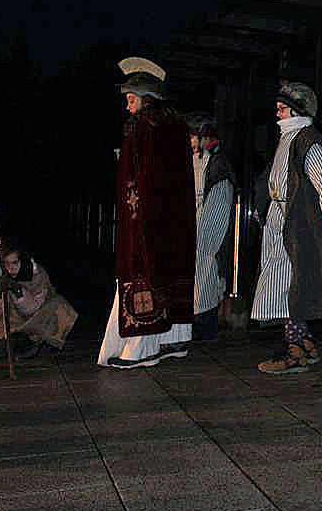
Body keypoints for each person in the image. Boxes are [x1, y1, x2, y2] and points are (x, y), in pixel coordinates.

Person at [251, 81, 322, 374]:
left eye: (281, 108)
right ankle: (304, 343)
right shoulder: (289, 139)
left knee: (293, 287)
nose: (277, 113)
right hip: (282, 221)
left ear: (296, 110)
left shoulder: (306, 140)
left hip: (298, 226)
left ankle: (295, 350)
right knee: (284, 284)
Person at [97, 57, 196, 369]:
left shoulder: (143, 126)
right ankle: (174, 339)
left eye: (131, 100)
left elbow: (141, 179)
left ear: (145, 98)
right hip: (174, 220)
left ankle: (142, 348)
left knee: (145, 272)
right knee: (170, 271)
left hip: (146, 220)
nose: (128, 107)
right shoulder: (176, 125)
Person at [0, 239, 78, 363]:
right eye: (6, 264)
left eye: (14, 263)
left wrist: (18, 292)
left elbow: (35, 309)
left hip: (25, 326)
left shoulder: (37, 275)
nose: (10, 269)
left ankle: (20, 346)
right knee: (10, 345)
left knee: (59, 307)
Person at [187, 114, 236, 342]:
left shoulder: (217, 164)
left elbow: (219, 204)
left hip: (207, 236)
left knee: (206, 280)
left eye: (193, 137)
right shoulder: (197, 160)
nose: (190, 142)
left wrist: (204, 241)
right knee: (199, 281)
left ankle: (206, 328)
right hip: (196, 230)